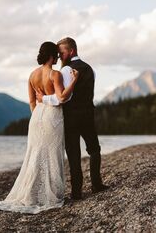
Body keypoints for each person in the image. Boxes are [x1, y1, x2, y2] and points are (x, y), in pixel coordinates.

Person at [0, 41, 78, 214]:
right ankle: (51, 195)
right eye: (55, 54)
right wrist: (74, 81)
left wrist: (37, 116)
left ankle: (31, 193)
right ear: (50, 56)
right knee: (51, 154)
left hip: (37, 117)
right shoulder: (55, 74)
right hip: (52, 116)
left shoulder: (32, 75)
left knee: (35, 153)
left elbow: (32, 101)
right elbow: (61, 98)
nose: (57, 57)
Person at [37, 37, 109, 200]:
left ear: (71, 51)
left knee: (74, 153)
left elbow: (62, 98)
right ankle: (97, 185)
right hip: (88, 115)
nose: (60, 56)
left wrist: (43, 99)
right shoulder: (91, 69)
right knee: (94, 150)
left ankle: (77, 192)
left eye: (62, 53)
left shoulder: (65, 70)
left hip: (71, 118)